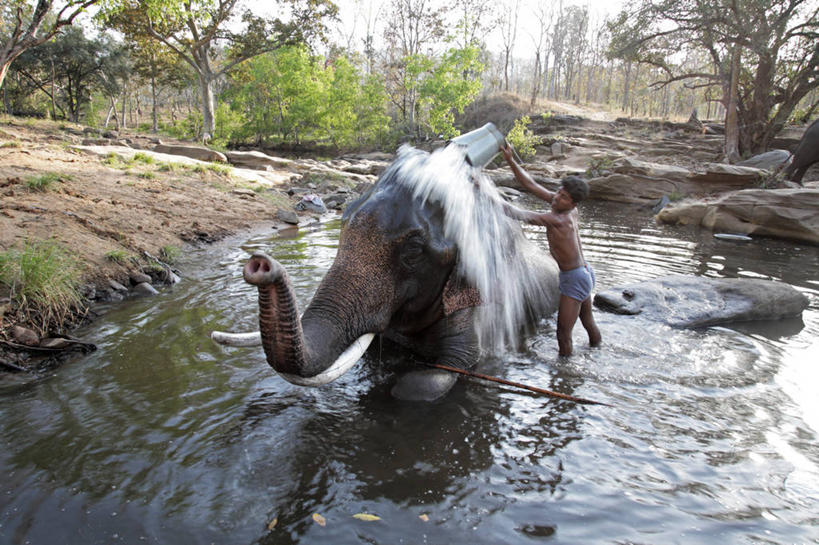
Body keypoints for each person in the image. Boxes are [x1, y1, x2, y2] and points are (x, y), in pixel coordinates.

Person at [499, 143, 602, 356]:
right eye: (558, 192)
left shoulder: (559, 219)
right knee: (587, 321)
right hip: (584, 272)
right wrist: (510, 160)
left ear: (572, 203)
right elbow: (531, 184)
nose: (556, 197)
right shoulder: (564, 207)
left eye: (564, 197)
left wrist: (484, 191)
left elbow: (517, 213)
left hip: (574, 278)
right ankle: (598, 350)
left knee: (563, 334)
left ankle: (564, 377)